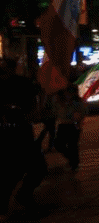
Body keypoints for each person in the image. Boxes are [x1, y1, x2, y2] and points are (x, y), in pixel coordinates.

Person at [1, 57, 46, 220]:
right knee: (26, 168)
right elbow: (35, 103)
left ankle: (13, 201)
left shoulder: (19, 83)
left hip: (15, 129)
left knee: (15, 170)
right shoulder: (20, 83)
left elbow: (34, 103)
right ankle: (20, 198)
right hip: (16, 131)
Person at [53, 83, 87, 171]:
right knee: (58, 144)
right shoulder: (61, 101)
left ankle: (74, 163)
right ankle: (72, 159)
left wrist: (78, 121)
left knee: (73, 145)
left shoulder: (77, 102)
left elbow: (81, 114)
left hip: (73, 125)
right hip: (63, 125)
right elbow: (56, 111)